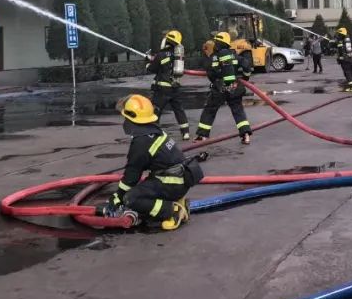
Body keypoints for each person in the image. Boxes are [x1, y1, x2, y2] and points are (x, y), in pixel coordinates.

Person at [98, 94, 204, 230]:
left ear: (131, 118)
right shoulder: (155, 130)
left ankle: (172, 211)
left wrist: (117, 198)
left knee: (132, 198)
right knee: (143, 190)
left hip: (171, 184)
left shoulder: (141, 142)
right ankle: (176, 202)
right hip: (179, 180)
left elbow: (131, 176)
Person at [195, 31, 253, 145]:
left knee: (210, 110)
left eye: (216, 42)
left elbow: (210, 71)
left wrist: (215, 81)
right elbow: (246, 65)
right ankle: (246, 135)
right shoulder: (234, 55)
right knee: (238, 110)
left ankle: (202, 136)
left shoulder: (215, 56)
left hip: (220, 89)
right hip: (234, 88)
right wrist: (245, 77)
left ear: (218, 43)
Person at [146, 29, 190, 141]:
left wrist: (147, 62)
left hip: (162, 89)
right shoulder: (178, 55)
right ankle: (185, 132)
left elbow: (152, 69)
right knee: (179, 110)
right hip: (175, 87)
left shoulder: (161, 54)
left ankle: (153, 133)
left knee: (156, 110)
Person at [332, 27, 352, 92]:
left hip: (344, 59)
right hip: (350, 58)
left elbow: (340, 50)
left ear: (341, 34)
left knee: (347, 73)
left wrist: (340, 58)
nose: (338, 35)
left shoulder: (340, 41)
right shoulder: (348, 39)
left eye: (339, 33)